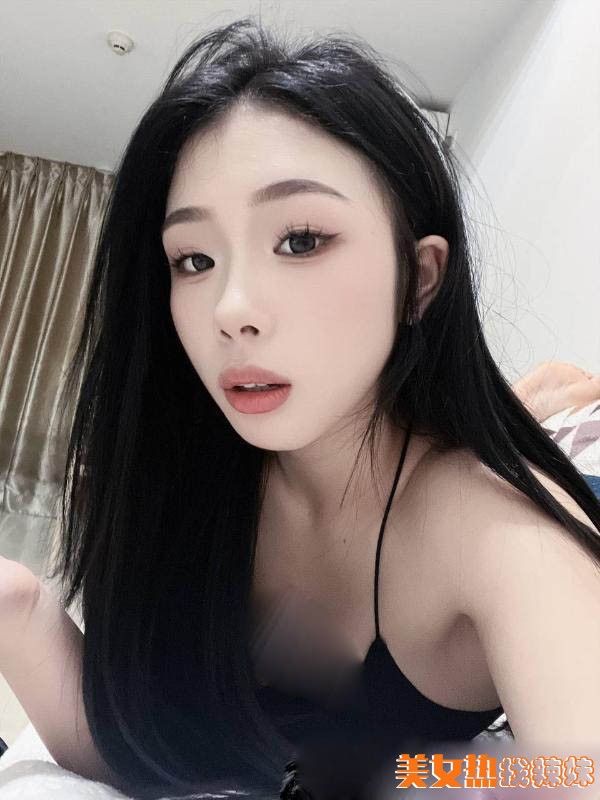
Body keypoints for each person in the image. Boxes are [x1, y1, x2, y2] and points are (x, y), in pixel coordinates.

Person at [2, 17, 600, 800]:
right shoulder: (192, 476)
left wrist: (415, 776)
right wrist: (16, 610)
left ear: (420, 278)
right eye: (194, 258)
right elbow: (149, 747)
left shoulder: (501, 529)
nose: (231, 310)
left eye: (302, 240)